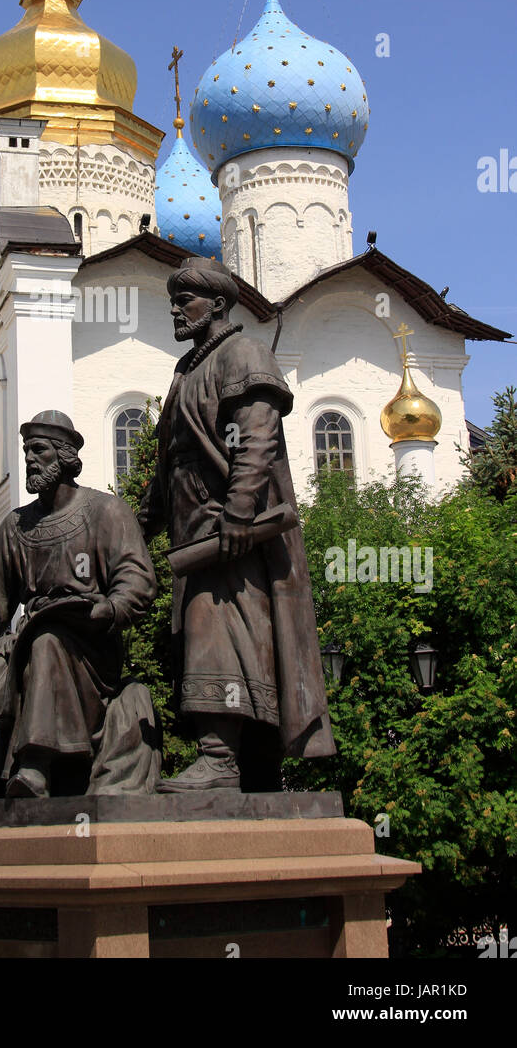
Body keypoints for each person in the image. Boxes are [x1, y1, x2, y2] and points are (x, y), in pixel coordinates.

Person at [139, 257, 335, 792]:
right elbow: (172, 457)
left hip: (234, 536)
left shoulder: (243, 354)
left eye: (187, 299)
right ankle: (257, 770)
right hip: (196, 532)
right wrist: (144, 523)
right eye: (173, 299)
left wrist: (239, 514)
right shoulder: (186, 371)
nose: (176, 309)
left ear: (219, 303)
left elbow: (257, 439)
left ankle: (220, 759)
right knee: (217, 636)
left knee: (221, 635)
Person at [0, 411, 158, 798]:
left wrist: (107, 610)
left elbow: (137, 581)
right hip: (26, 642)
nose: (28, 458)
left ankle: (35, 768)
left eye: (38, 450)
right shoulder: (16, 526)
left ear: (64, 457)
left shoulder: (106, 511)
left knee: (49, 641)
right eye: (26, 450)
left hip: (90, 649)